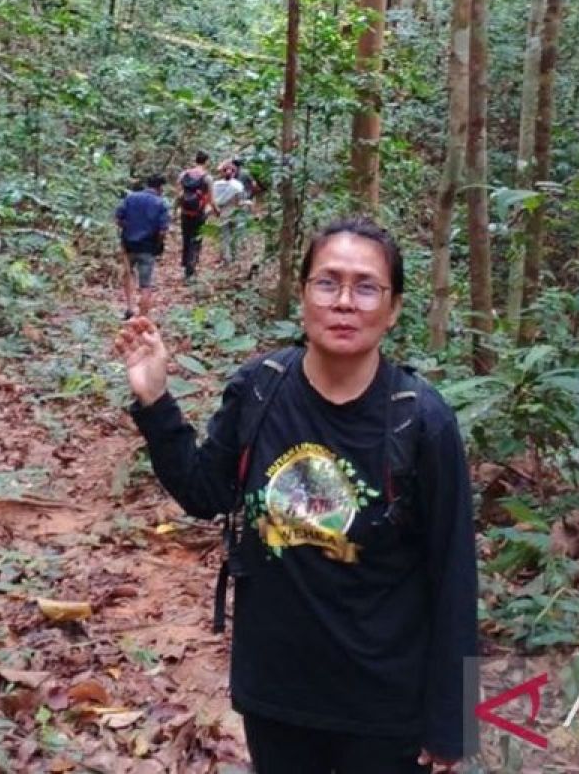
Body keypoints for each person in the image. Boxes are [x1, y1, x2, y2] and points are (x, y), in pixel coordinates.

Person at [114, 217, 479, 773]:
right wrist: (156, 400)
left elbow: (453, 573)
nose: (345, 302)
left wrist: (453, 722)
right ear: (304, 293)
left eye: (366, 287)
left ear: (394, 308)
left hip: (384, 703)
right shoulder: (260, 387)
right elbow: (203, 492)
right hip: (276, 692)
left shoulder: (422, 421)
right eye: (327, 282)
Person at [114, 173, 170, 319]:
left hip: (129, 244)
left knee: (128, 274)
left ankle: (129, 307)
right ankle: (142, 317)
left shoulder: (131, 198)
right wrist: (158, 243)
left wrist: (129, 228)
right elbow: (163, 230)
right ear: (160, 188)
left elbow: (118, 218)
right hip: (148, 247)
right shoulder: (161, 203)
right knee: (146, 283)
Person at [176, 151, 218, 281]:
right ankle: (191, 268)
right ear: (206, 162)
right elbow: (211, 199)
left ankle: (185, 264)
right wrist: (216, 211)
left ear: (195, 160)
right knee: (196, 239)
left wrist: (175, 210)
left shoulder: (184, 174)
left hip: (185, 212)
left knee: (186, 238)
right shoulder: (207, 178)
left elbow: (178, 195)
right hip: (199, 213)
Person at [212, 163, 247, 265]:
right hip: (235, 213)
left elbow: (214, 201)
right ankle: (234, 257)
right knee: (235, 236)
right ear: (234, 173)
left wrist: (216, 211)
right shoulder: (238, 185)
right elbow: (240, 201)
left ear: (223, 173)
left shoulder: (216, 185)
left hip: (223, 213)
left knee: (225, 236)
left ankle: (227, 258)